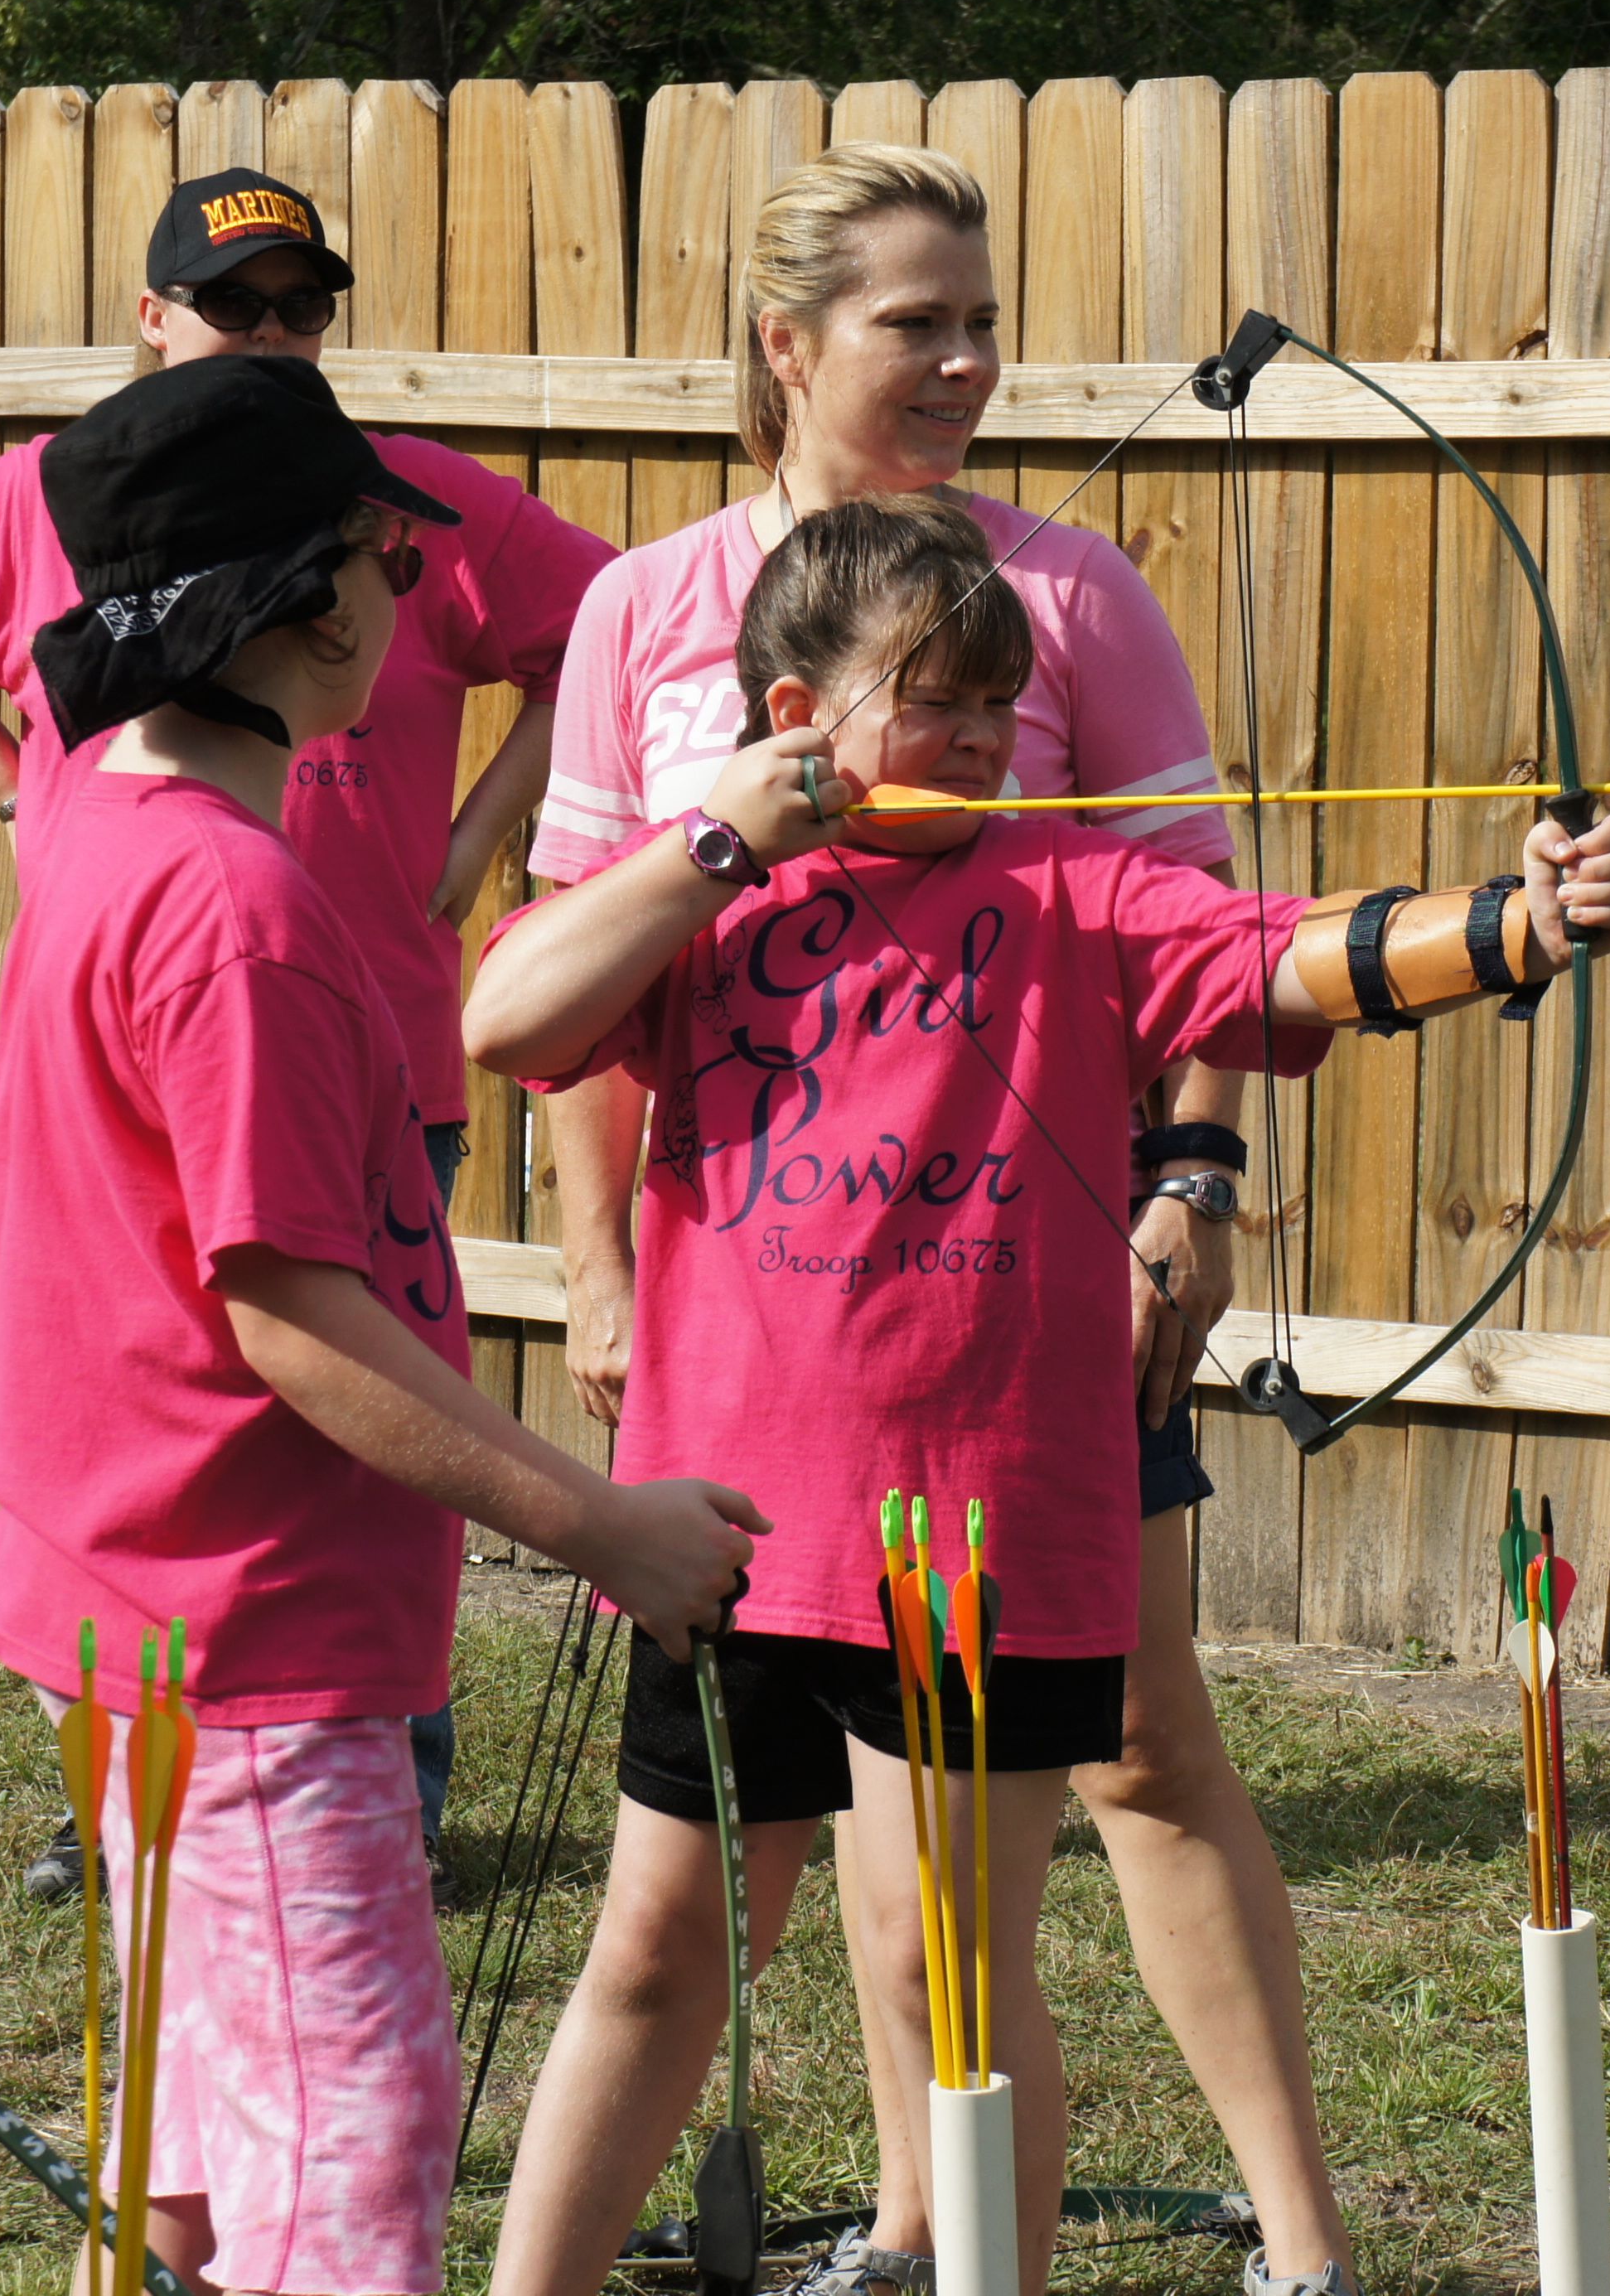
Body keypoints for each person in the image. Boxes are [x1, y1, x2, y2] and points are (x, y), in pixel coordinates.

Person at [473, 495, 1610, 2296]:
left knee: (944, 1970)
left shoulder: (1074, 889)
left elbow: (1287, 953)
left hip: (980, 1528)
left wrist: (1514, 924)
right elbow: (509, 1021)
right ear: (791, 712)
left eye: (996, 708)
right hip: (723, 1522)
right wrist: (712, 839)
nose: (978, 742)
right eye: (930, 703)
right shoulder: (699, 897)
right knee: (653, 1951)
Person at [524, 143, 1360, 2296]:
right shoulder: (646, 609)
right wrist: (600, 1274)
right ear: (787, 343)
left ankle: (1298, 2246)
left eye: (985, 320)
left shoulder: (1069, 597)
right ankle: (923, 2230)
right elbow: (578, 983)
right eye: (918, 323)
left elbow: (1200, 932)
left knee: (1135, 1745)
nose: (968, 362)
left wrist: (1193, 1184)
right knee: (772, 1854)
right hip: (755, 1325)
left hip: (1028, 1309)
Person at [0, 353, 761, 2294]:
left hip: (132, 1608)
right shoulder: (237, 910)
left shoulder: (96, 829)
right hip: (249, 1637)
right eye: (395, 561)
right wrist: (600, 1519)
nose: (409, 600)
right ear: (318, 608)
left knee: (208, 2136)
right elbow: (293, 1315)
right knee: (351, 2135)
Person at [0, 165, 606, 1894]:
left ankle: (371, 1777)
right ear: (150, 319)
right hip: (149, 1024)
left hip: (370, 1036)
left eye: (298, 306)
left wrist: (481, 838)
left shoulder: (375, 493)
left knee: (337, 1423)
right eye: (230, 303)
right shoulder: (57, 502)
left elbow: (603, 627)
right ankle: (159, 1782)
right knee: (181, 1402)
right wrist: (16, 788)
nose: (267, 331)